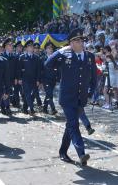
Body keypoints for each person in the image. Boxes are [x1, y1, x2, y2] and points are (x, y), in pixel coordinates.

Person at [45, 28, 97, 166]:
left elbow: (94, 78)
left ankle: (63, 151)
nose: (82, 43)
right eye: (78, 41)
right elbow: (47, 64)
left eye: (82, 40)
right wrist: (59, 51)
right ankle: (81, 154)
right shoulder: (64, 55)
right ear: (71, 43)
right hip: (67, 97)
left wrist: (91, 93)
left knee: (70, 125)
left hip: (81, 98)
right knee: (74, 124)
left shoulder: (90, 56)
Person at [17, 40, 41, 115]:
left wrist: (38, 80)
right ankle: (31, 108)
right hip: (25, 79)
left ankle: (25, 107)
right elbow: (19, 69)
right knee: (27, 94)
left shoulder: (36, 57)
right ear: (26, 48)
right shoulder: (22, 57)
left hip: (34, 79)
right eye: (29, 46)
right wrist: (20, 78)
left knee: (33, 94)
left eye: (32, 47)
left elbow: (38, 70)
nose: (31, 48)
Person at [41, 42, 58, 115]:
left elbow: (57, 68)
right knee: (49, 94)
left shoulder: (55, 58)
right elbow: (40, 70)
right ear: (45, 50)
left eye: (51, 48)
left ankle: (44, 108)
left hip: (53, 79)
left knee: (48, 94)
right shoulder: (42, 58)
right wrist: (40, 81)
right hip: (45, 79)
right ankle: (53, 108)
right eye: (48, 48)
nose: (50, 49)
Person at [0, 38, 16, 116]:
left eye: (12, 45)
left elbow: (17, 68)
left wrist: (17, 78)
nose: (11, 47)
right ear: (5, 47)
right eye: (10, 45)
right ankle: (7, 107)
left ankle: (3, 106)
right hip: (3, 78)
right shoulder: (2, 56)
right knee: (5, 92)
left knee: (8, 92)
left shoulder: (14, 56)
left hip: (11, 78)